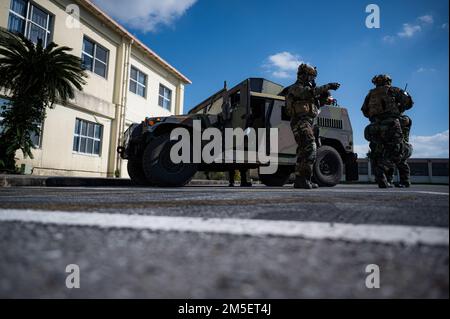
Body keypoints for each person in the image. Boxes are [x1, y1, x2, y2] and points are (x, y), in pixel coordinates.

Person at [285, 64, 340, 189]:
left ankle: (301, 180)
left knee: (303, 151)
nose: (312, 80)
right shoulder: (296, 88)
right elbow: (308, 93)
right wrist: (328, 86)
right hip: (300, 121)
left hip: (308, 122)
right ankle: (303, 179)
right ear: (304, 75)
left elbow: (315, 104)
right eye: (311, 77)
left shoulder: (307, 90)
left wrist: (324, 97)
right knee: (310, 147)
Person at [362, 74, 414, 188]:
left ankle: (385, 180)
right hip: (391, 124)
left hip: (374, 127)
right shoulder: (394, 90)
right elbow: (409, 103)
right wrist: (399, 106)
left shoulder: (370, 94)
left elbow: (364, 111)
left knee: (379, 153)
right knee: (397, 151)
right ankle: (383, 171)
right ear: (388, 81)